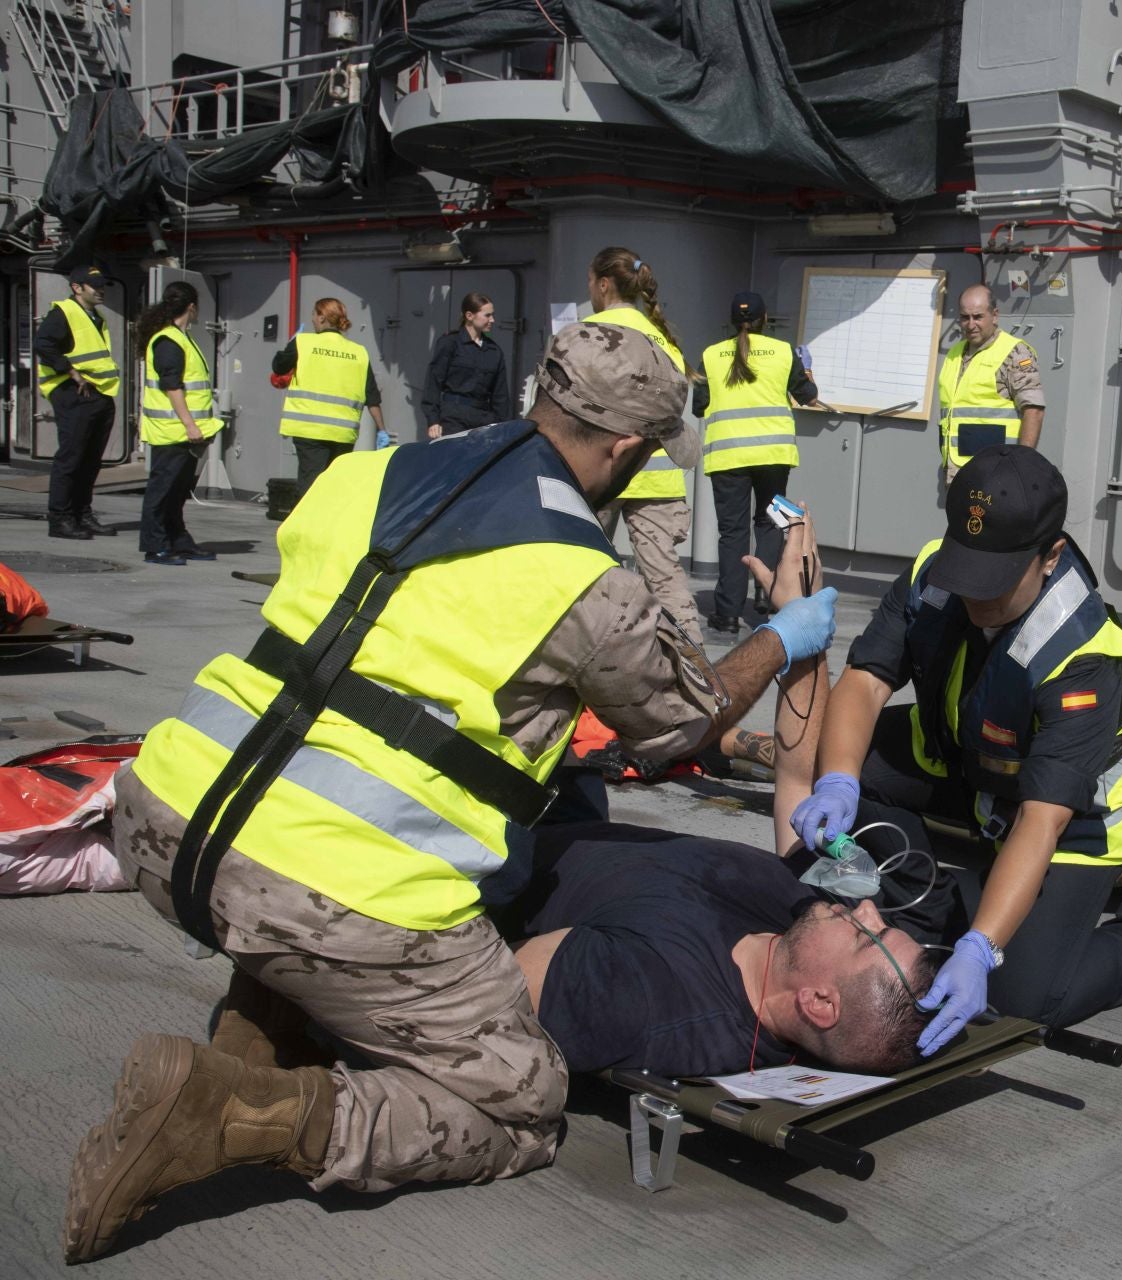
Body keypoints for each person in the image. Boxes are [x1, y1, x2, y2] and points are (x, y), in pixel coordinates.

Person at [60, 320, 841, 1264]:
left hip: (164, 816)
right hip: (319, 883)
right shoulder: (583, 581)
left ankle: (252, 1035)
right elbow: (682, 722)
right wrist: (788, 635)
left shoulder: (364, 475)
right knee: (523, 1103)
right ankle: (238, 1114)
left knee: (317, 831)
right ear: (627, 450)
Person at [790, 445, 1122, 1058]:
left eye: (995, 580)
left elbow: (1042, 821)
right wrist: (837, 780)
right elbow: (866, 680)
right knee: (851, 757)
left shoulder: (1084, 659)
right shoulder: (932, 573)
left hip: (1083, 814)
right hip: (981, 764)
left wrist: (981, 946)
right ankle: (927, 902)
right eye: (966, 572)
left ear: (1051, 556)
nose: (974, 597)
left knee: (1022, 995)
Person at [507, 629, 937, 1076]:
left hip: (501, 839)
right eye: (883, 924)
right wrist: (805, 639)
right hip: (572, 819)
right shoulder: (803, 919)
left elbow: (482, 979)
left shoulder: (650, 1001)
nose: (868, 909)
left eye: (868, 937)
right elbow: (796, 777)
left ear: (819, 1002)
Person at [581, 247, 706, 642]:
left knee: (583, 568)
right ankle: (694, 660)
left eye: (590, 282)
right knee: (665, 577)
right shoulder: (663, 338)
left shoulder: (589, 332)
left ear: (604, 284)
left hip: (601, 470)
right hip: (657, 475)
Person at [695, 291, 818, 634]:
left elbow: (699, 406)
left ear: (732, 321)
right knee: (769, 523)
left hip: (728, 456)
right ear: (765, 320)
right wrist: (806, 368)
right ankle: (765, 593)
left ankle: (728, 614)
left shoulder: (711, 355)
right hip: (773, 455)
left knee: (732, 533)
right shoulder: (783, 352)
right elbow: (810, 397)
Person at [133, 281, 226, 566]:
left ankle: (178, 540)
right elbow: (172, 386)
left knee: (176, 492)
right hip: (172, 431)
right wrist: (189, 425)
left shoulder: (181, 338)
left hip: (182, 431)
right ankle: (155, 545)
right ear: (191, 307)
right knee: (162, 490)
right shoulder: (168, 341)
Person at [36, 264, 121, 541]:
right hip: (74, 393)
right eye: (94, 286)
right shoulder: (64, 312)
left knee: (90, 460)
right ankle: (60, 519)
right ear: (77, 287)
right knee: (71, 458)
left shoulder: (95, 316)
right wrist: (70, 371)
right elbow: (43, 344)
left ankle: (82, 514)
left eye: (103, 286)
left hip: (98, 393)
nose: (101, 290)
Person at [273, 297, 386, 500]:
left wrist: (291, 343)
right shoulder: (358, 352)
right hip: (343, 434)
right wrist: (382, 430)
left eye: (314, 315)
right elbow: (372, 397)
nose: (312, 319)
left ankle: (307, 520)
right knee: (334, 487)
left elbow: (279, 367)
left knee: (310, 486)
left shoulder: (303, 343)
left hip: (310, 431)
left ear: (322, 317)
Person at [934, 284, 1044, 485]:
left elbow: (1033, 411)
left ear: (994, 315)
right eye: (965, 317)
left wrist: (1021, 466)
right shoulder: (954, 354)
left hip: (997, 474)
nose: (970, 324)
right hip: (956, 472)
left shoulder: (1015, 353)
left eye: (978, 317)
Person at [423, 292, 510, 438]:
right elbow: (433, 383)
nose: (492, 320)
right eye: (487, 315)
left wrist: (502, 427)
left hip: (483, 419)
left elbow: (500, 396)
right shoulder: (450, 343)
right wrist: (433, 420)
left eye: (492, 315)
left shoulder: (494, 351)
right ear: (469, 316)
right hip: (453, 418)